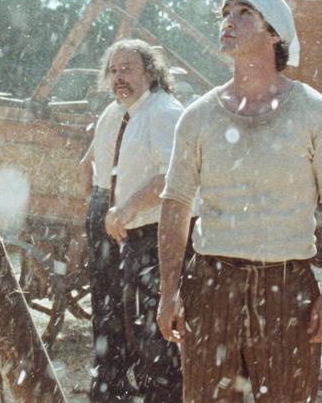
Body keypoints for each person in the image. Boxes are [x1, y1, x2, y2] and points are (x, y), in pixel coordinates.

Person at [157, 0, 322, 402]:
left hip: (285, 289)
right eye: (226, 12)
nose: (228, 20)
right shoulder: (198, 117)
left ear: (274, 36)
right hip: (210, 285)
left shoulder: (315, 112)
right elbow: (175, 207)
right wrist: (169, 291)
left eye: (244, 12)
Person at [101, 39, 186, 402]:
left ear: (151, 73)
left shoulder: (163, 111)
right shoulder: (137, 111)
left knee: (156, 344)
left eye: (129, 69)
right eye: (114, 70)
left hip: (158, 239)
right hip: (140, 241)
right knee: (143, 339)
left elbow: (174, 176)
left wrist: (127, 209)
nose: (120, 77)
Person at [79, 94, 133, 401]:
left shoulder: (111, 110)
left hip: (103, 204)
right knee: (126, 302)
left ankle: (107, 384)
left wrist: (94, 208)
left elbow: (84, 166)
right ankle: (115, 384)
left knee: (106, 304)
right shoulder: (135, 113)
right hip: (119, 207)